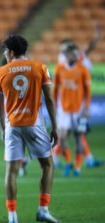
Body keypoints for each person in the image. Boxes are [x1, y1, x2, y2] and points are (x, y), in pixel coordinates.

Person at [0, 35, 60, 223]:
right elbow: (48, 98)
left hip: (12, 125)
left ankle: (12, 216)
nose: (5, 55)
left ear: (12, 52)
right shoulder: (39, 67)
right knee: (47, 164)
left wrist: (2, 128)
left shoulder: (0, 72)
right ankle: (43, 209)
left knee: (11, 170)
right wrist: (54, 126)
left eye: (6, 52)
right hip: (34, 124)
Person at [53, 23, 103, 169]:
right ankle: (80, 160)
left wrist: (97, 36)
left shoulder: (76, 59)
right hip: (68, 103)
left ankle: (76, 161)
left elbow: (87, 50)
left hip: (79, 102)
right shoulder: (64, 62)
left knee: (75, 134)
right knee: (69, 134)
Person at [54, 44, 91, 176]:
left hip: (79, 110)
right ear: (67, 55)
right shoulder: (59, 69)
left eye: (76, 54)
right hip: (63, 110)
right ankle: (69, 162)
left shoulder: (83, 69)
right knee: (62, 138)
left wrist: (86, 108)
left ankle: (77, 167)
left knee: (78, 138)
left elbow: (88, 91)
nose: (74, 56)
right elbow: (55, 88)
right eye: (72, 54)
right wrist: (53, 104)